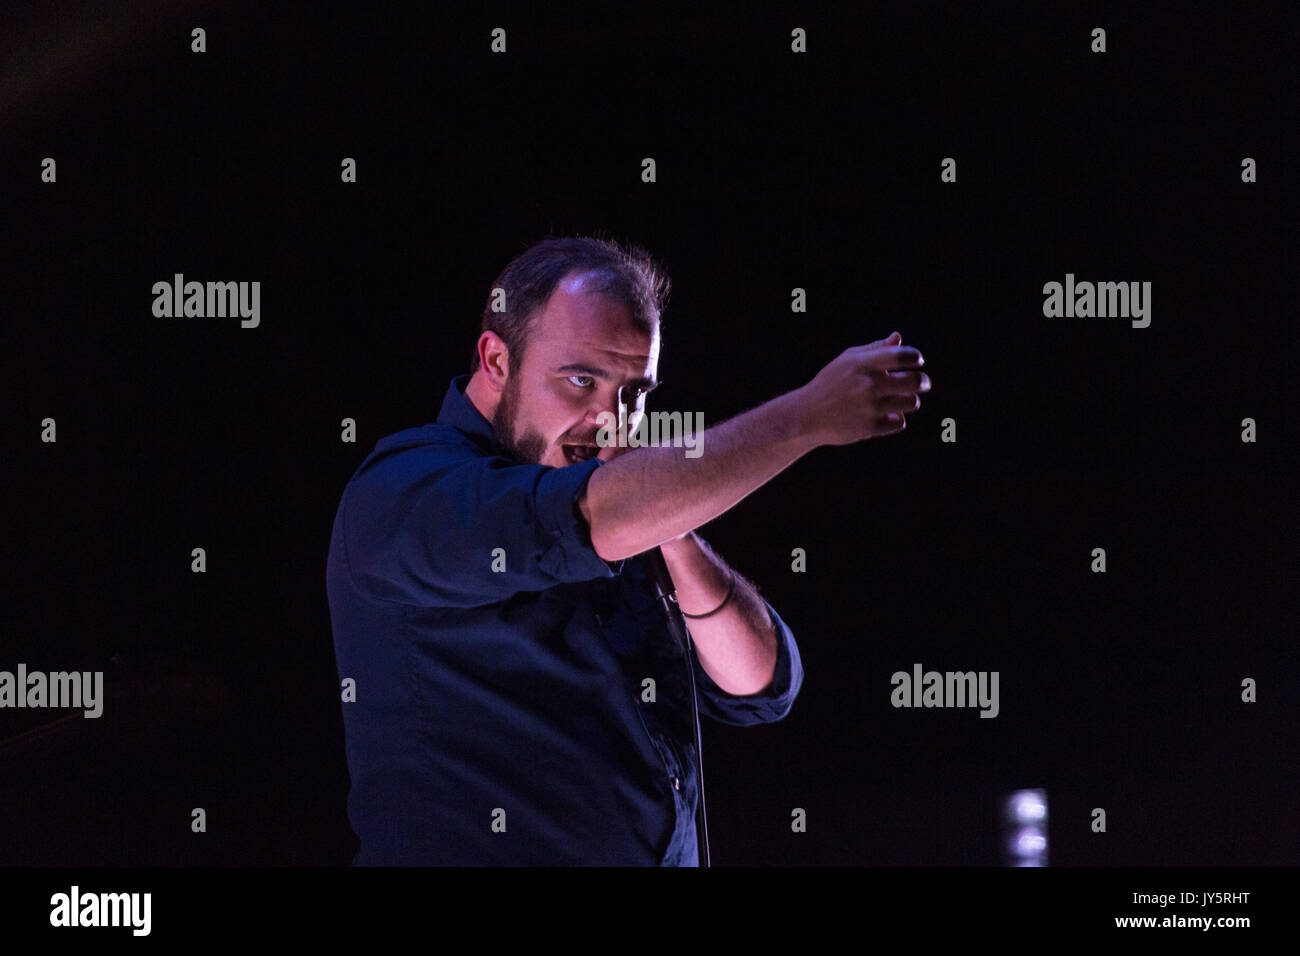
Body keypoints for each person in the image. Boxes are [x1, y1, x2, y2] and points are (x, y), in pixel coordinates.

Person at [326, 235, 929, 865]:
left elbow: (757, 683)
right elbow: (579, 518)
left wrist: (671, 526)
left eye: (634, 393)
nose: (611, 420)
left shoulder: (623, 508)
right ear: (497, 360)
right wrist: (804, 418)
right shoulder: (405, 489)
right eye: (581, 380)